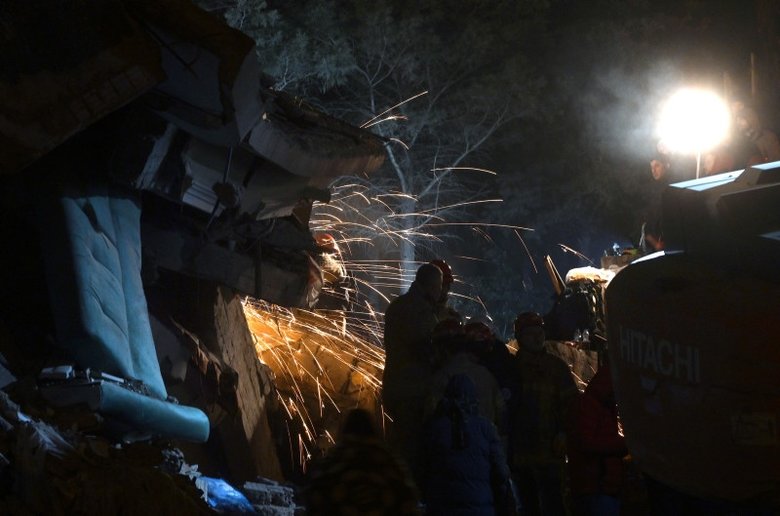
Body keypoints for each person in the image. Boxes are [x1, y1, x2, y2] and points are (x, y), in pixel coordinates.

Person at [511, 312, 577, 516]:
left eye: (539, 333)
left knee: (554, 503)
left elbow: (572, 404)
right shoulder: (512, 368)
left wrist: (564, 432)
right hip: (521, 452)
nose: (537, 338)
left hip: (550, 451)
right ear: (520, 337)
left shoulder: (556, 368)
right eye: (531, 334)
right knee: (528, 506)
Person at [422, 374, 515, 516]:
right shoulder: (486, 428)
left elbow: (423, 469)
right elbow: (500, 472)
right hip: (481, 509)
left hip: (442, 509)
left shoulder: (434, 429)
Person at [382, 263, 443, 482]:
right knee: (411, 451)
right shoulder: (420, 311)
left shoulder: (398, 305)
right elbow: (425, 348)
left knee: (400, 444)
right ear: (432, 286)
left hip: (395, 386)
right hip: (413, 390)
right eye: (439, 286)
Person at [303, 409, 421, 515]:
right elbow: (408, 498)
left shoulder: (333, 459)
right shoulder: (388, 460)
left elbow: (314, 497)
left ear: (344, 430)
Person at [566, 363, 627, 516]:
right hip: (595, 488)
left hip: (603, 486)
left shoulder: (604, 406)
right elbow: (586, 443)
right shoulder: (590, 405)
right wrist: (622, 446)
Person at [426, 320, 505, 430]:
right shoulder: (485, 374)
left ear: (442, 348)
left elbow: (430, 417)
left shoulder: (442, 376)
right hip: (484, 438)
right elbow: (501, 414)